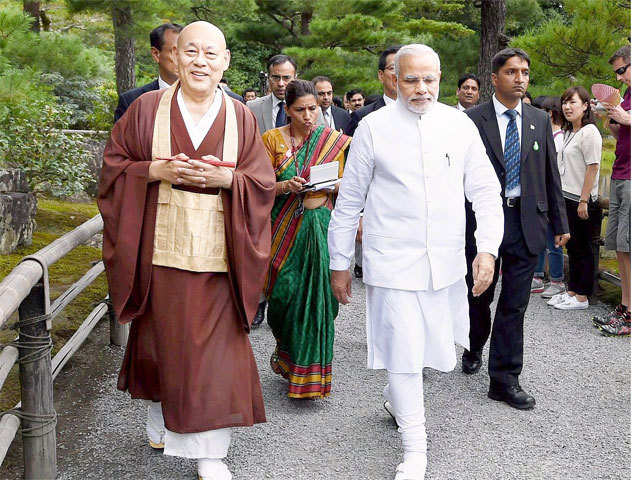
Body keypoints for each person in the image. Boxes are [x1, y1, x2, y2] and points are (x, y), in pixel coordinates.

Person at [98, 21, 275, 480]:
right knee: (165, 346)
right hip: (160, 255)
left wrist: (227, 180)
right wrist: (154, 169)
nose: (200, 61)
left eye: (210, 54)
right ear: (173, 56)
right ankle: (161, 419)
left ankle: (210, 454)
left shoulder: (240, 117)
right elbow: (113, 171)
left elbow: (262, 183)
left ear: (226, 62)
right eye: (190, 51)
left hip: (222, 260)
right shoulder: (145, 110)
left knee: (216, 356)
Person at [328, 44, 503, 480]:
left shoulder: (457, 124)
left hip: (444, 262)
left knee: (429, 348)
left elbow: (484, 192)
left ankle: (395, 396)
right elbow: (349, 201)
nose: (421, 88)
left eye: (429, 79)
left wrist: (487, 248)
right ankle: (415, 449)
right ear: (393, 79)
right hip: (391, 260)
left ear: (440, 77)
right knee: (404, 351)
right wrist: (339, 261)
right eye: (410, 79)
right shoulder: (373, 127)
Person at [461, 48, 569, 410]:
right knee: (479, 295)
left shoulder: (539, 119)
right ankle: (474, 343)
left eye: (524, 71)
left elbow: (550, 174)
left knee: (515, 304)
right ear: (494, 78)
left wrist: (560, 222)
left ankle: (505, 379)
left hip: (527, 222)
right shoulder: (472, 120)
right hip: (481, 223)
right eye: (511, 72)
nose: (520, 78)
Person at [262, 79, 350, 398]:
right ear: (287, 110)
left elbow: (349, 186)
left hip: (321, 226)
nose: (308, 116)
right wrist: (285, 187)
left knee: (321, 300)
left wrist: (328, 186)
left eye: (313, 109)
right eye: (300, 110)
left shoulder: (334, 142)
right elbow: (257, 186)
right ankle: (287, 353)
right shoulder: (271, 140)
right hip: (283, 228)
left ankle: (311, 375)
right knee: (284, 295)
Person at [345, 46, 402, 279]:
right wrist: (357, 214)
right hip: (377, 211)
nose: (399, 75)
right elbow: (352, 171)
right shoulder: (364, 116)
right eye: (392, 69)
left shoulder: (429, 115)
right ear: (381, 75)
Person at [544, 87, 602, 310]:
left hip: (582, 200)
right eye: (565, 102)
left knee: (584, 248)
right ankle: (572, 290)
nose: (567, 107)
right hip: (566, 198)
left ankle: (582, 296)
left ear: (585, 106)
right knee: (574, 248)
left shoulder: (590, 132)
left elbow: (593, 167)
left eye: (573, 102)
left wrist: (584, 200)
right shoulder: (570, 132)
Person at [593, 45, 631, 336]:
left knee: (629, 246)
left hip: (632, 177)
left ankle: (631, 312)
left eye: (622, 70)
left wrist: (629, 118)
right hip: (619, 171)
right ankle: (625, 303)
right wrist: (610, 117)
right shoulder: (627, 95)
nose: (619, 78)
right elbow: (621, 133)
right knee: (618, 244)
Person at [531, 96, 566, 298]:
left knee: (554, 239)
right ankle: (537, 275)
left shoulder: (559, 137)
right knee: (539, 237)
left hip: (553, 193)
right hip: (539, 192)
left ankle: (556, 279)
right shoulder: (542, 134)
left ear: (550, 113)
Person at [114, 23, 182, 121]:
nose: (182, 58)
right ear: (156, 54)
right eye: (175, 52)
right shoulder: (132, 101)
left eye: (188, 51)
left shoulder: (207, 99)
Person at [247, 54, 297, 135]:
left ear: (295, 78)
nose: (281, 83)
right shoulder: (252, 107)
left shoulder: (310, 109)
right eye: (276, 78)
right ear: (268, 78)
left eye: (286, 78)